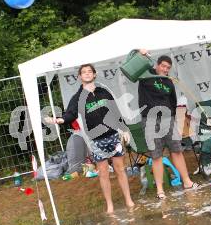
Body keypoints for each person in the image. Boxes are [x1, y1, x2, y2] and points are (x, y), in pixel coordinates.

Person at [45, 64, 134, 213]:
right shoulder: (78, 97)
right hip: (96, 140)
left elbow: (115, 111)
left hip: (113, 136)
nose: (87, 74)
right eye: (83, 72)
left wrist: (124, 129)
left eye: (89, 72)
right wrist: (58, 120)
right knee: (104, 173)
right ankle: (110, 206)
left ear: (94, 74)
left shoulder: (103, 92)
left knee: (120, 169)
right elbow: (70, 115)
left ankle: (129, 200)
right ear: (79, 77)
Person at [138, 50, 199, 199]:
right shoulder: (146, 76)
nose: (165, 69)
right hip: (150, 120)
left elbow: (173, 101)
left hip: (168, 119)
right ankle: (160, 190)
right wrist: (141, 53)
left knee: (177, 151)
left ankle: (187, 182)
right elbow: (134, 67)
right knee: (156, 155)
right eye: (163, 66)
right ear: (157, 66)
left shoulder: (169, 81)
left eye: (168, 68)